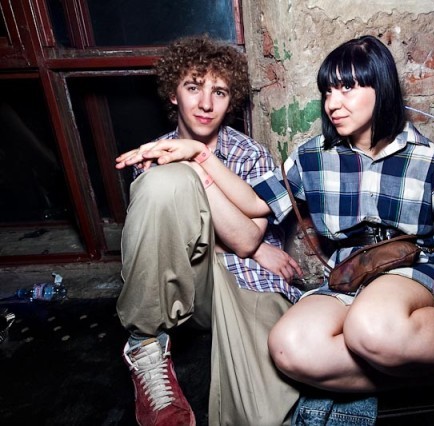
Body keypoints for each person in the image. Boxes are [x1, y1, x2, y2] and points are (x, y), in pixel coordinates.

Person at [126, 35, 434, 425]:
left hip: (415, 268)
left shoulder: (426, 158)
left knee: (371, 327)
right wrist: (201, 157)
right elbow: (256, 202)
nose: (332, 102)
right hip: (350, 275)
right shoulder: (312, 156)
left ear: (381, 88)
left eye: (347, 88)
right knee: (289, 348)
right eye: (327, 90)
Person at [114, 35, 302, 426]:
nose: (205, 104)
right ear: (173, 94)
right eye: (193, 87)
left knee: (262, 416)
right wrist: (249, 244)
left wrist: (197, 165)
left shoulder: (251, 154)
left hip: (250, 282)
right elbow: (166, 245)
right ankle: (145, 346)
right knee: (164, 183)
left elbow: (246, 239)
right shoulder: (153, 157)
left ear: (230, 101)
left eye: (219, 92)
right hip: (186, 290)